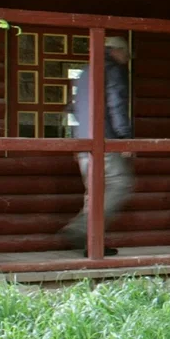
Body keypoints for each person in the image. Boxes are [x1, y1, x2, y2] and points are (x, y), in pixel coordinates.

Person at [58, 36, 134, 252]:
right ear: (116, 51)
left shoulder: (83, 73)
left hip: (84, 143)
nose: (126, 60)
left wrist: (77, 141)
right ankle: (82, 228)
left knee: (95, 191)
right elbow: (116, 105)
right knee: (120, 184)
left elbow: (72, 109)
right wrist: (124, 139)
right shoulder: (112, 70)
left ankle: (92, 244)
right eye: (126, 55)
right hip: (105, 141)